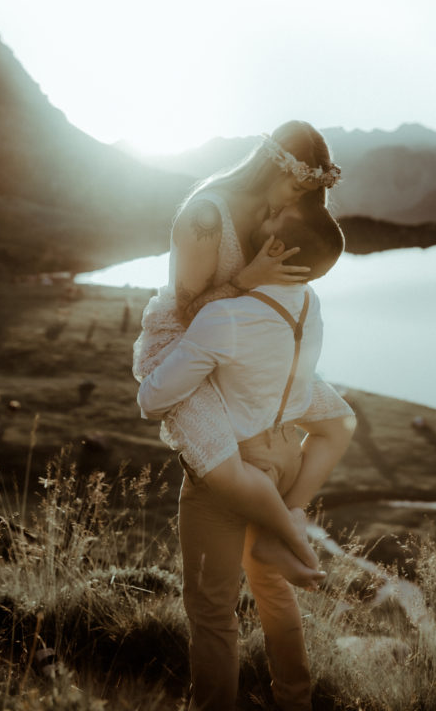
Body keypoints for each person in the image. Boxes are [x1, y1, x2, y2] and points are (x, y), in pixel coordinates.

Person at [138, 201, 356, 711]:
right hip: (286, 455)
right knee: (273, 591)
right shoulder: (310, 304)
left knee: (212, 613)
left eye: (272, 220)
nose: (260, 218)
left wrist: (208, 318)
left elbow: (155, 396)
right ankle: (297, 708)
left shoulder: (225, 317)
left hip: (233, 465)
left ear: (277, 248)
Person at [133, 121, 356, 579]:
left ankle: (287, 518)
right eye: (295, 187)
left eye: (306, 196)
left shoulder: (276, 211)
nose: (296, 202)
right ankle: (293, 540)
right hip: (187, 343)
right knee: (222, 462)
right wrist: (249, 280)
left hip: (235, 344)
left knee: (340, 420)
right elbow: (188, 312)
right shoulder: (208, 215)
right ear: (269, 167)